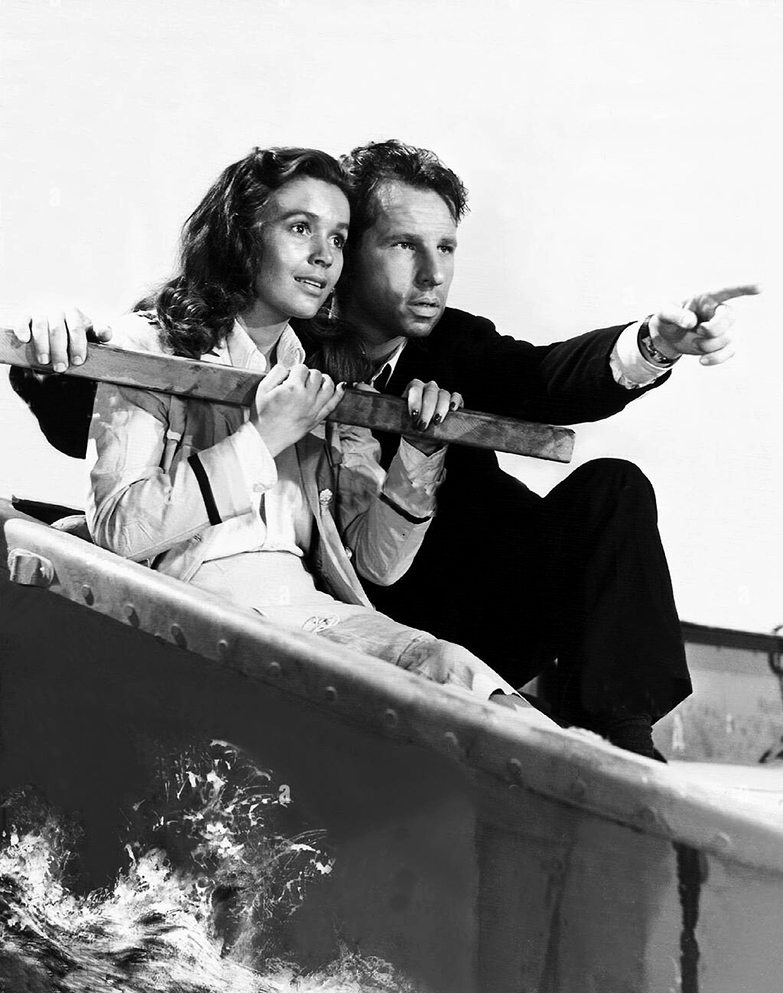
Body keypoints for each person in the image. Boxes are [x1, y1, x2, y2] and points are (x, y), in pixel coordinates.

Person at [10, 140, 758, 757]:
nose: (433, 273)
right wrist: (50, 348)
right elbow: (103, 421)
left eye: (446, 247)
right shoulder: (232, 335)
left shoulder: (406, 352)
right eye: (402, 244)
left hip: (390, 605)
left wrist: (653, 344)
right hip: (252, 607)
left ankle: (620, 755)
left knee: (608, 498)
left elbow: (546, 380)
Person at [45, 145, 547, 717]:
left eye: (338, 238)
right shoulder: (150, 346)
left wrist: (420, 451)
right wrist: (261, 441)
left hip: (306, 613)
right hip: (185, 614)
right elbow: (119, 531)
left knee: (454, 672)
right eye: (300, 228)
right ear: (242, 234)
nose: (323, 256)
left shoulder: (326, 377)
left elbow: (378, 564)